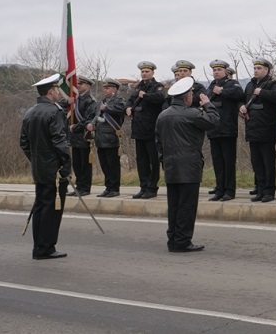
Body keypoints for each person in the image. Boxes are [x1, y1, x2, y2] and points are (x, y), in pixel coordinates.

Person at [156, 77, 219, 252]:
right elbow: (213, 121)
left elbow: (157, 141)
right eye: (191, 93)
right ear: (187, 97)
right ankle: (182, 241)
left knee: (174, 204)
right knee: (187, 205)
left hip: (170, 165)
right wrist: (208, 104)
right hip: (189, 165)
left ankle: (173, 239)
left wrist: (164, 158)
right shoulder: (191, 114)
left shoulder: (162, 115)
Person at [20, 74, 71, 259]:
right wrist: (65, 164)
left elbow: (24, 143)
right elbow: (60, 142)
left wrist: (36, 160)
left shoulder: (30, 112)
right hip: (54, 170)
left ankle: (39, 247)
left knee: (40, 207)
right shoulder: (54, 112)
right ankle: (46, 248)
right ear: (51, 91)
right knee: (51, 209)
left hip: (39, 168)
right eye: (58, 89)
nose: (59, 92)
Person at [240, 57, 276, 203]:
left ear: (267, 70)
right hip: (252, 129)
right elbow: (242, 100)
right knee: (256, 162)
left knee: (268, 163)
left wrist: (263, 93)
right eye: (255, 68)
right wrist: (241, 107)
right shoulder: (250, 85)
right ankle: (260, 189)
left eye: (259, 68)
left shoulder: (273, 84)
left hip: (267, 130)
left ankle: (269, 191)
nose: (256, 71)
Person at [125, 61, 166, 199]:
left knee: (153, 160)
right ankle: (143, 186)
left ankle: (152, 187)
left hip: (151, 129)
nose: (144, 74)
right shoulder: (137, 88)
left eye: (147, 71)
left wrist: (146, 96)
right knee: (141, 161)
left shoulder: (157, 86)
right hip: (138, 129)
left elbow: (160, 98)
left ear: (153, 72)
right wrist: (128, 108)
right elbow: (130, 101)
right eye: (142, 71)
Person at [206, 59, 245, 201]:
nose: (216, 72)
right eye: (214, 70)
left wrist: (221, 91)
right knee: (218, 162)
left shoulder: (231, 84)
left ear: (225, 71)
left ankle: (229, 190)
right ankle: (219, 189)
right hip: (213, 129)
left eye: (219, 70)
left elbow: (239, 94)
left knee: (228, 162)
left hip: (227, 129)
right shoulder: (211, 85)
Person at [90, 79, 126, 198]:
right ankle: (108, 187)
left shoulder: (119, 101)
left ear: (115, 89)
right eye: (104, 88)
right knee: (104, 165)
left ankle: (114, 188)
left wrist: (107, 109)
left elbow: (121, 110)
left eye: (108, 88)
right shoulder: (103, 101)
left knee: (113, 165)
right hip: (100, 138)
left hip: (111, 138)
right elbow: (97, 116)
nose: (105, 90)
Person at [66, 76, 97, 197]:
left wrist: (75, 127)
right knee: (77, 164)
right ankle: (79, 186)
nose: (78, 85)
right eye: (77, 83)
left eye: (81, 84)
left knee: (85, 165)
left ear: (88, 86)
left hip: (84, 136)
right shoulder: (75, 99)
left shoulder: (90, 101)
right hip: (74, 138)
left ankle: (85, 187)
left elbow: (88, 119)